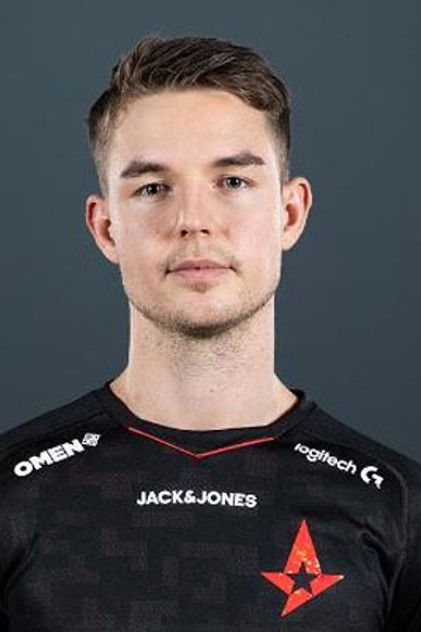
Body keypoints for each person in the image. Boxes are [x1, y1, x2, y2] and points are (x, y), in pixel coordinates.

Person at [0, 33, 420, 632]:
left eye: (233, 182)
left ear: (290, 213)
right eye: (153, 188)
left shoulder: (397, 505)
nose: (193, 221)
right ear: (106, 227)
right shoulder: (12, 492)